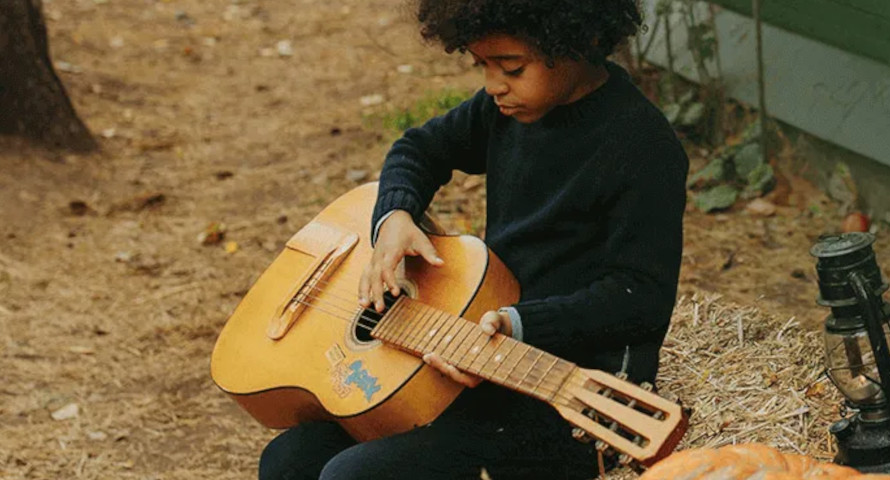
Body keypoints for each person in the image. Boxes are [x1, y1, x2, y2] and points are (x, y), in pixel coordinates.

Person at [257, 0, 688, 478]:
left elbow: (639, 297)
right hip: (473, 363)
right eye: (482, 65)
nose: (493, 85)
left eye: (511, 67)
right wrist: (396, 214)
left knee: (354, 476)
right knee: (288, 460)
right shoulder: (504, 109)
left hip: (563, 397)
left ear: (579, 41)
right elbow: (418, 148)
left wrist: (516, 323)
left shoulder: (643, 146)